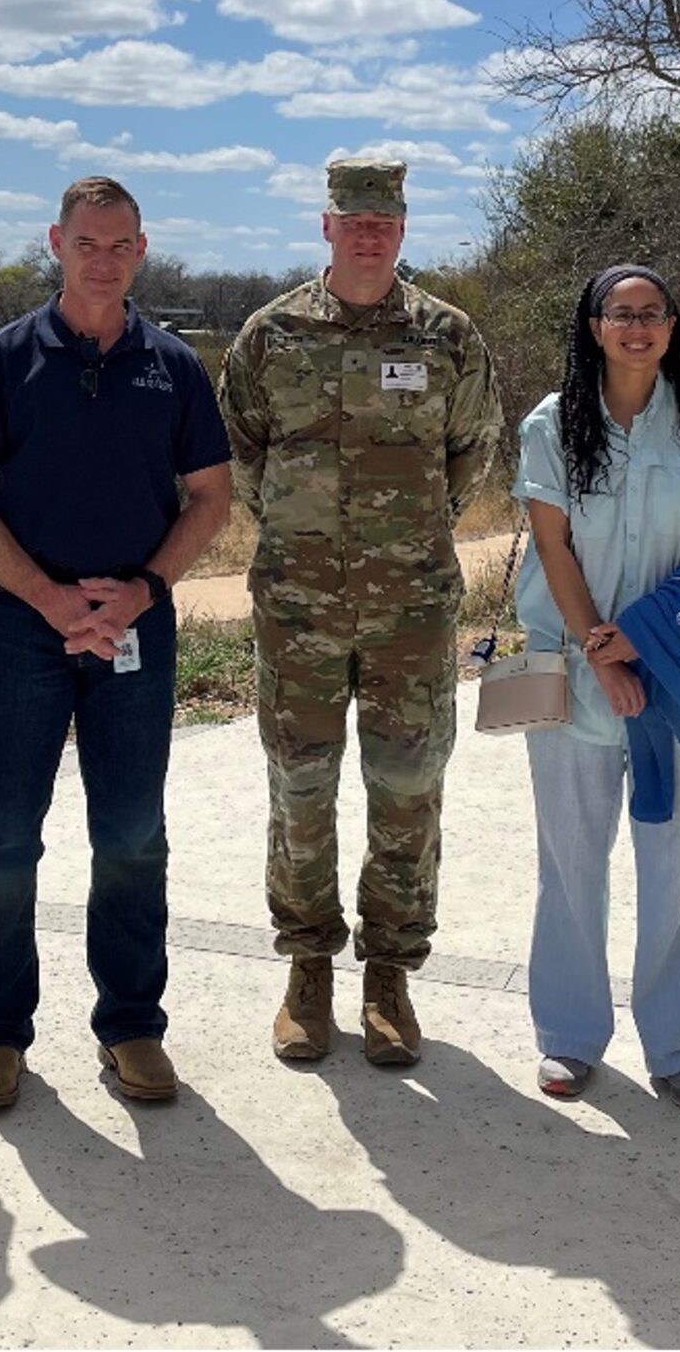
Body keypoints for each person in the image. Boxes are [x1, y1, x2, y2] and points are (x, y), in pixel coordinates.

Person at [0, 177, 234, 1111]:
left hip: (136, 626)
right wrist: (49, 597)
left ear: (141, 250)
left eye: (120, 244)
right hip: (26, 625)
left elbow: (213, 496)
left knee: (133, 834)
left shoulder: (174, 365)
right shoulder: (4, 358)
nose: (103, 258)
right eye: (86, 242)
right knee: (3, 836)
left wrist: (142, 590)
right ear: (56, 242)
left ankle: (133, 1024)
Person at [219, 159, 504, 1066]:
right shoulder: (271, 335)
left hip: (411, 608)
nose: (370, 232)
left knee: (407, 782)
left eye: (385, 218)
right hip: (297, 608)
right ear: (326, 225)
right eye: (354, 218)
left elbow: (471, 452)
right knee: (299, 782)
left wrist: (401, 537)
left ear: (405, 225)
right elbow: (242, 455)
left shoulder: (448, 336)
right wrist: (307, 537)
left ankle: (390, 972)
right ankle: (308, 966)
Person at [511, 265, 680, 1112]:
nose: (637, 326)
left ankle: (677, 1046)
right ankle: (570, 1039)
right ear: (595, 325)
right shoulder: (552, 424)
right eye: (621, 313)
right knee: (571, 863)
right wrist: (601, 652)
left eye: (652, 313)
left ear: (674, 325)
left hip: (677, 679)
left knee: (675, 866)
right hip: (576, 679)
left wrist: (645, 643)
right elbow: (553, 547)